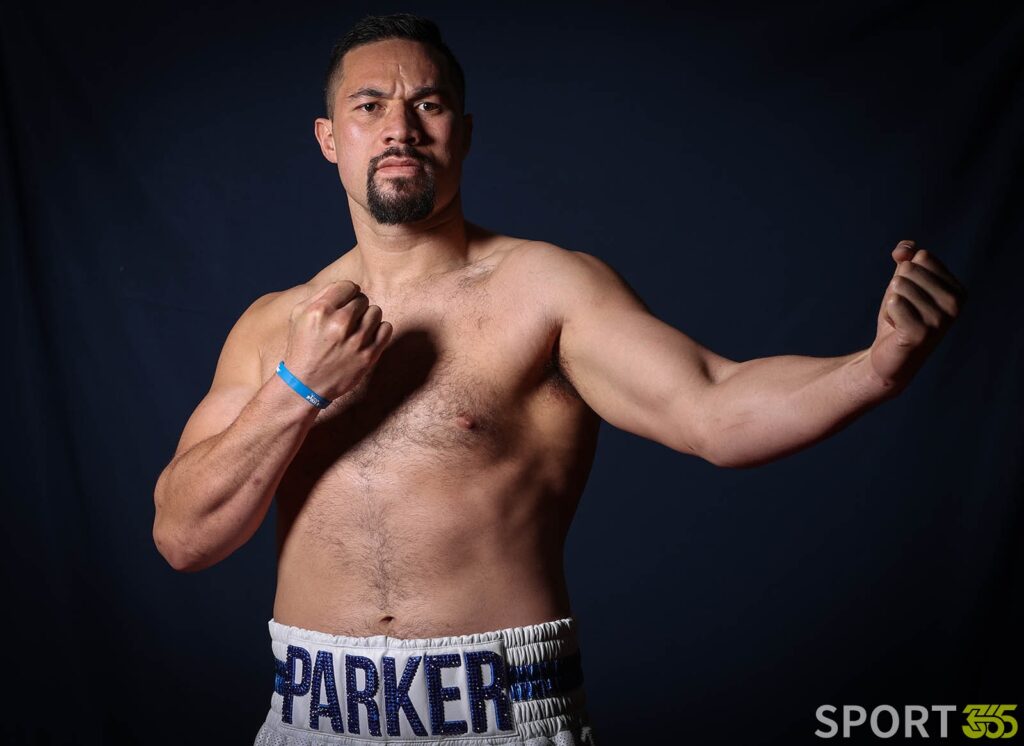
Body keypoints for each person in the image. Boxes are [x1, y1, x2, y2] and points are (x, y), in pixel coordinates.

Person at [151, 13, 965, 746]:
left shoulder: (545, 290)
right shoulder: (274, 327)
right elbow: (184, 538)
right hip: (311, 718)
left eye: (428, 104)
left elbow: (713, 409)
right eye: (370, 106)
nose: (400, 127)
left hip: (502, 718)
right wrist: (297, 388)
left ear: (463, 131)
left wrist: (872, 370)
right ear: (330, 138)